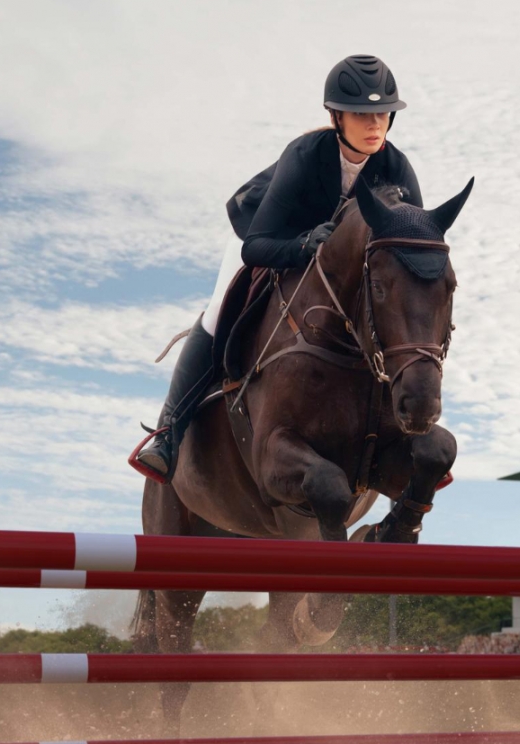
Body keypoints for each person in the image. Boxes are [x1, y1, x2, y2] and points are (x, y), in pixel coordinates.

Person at [137, 54, 424, 481]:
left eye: (382, 113)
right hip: (269, 237)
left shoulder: (396, 167)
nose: (374, 124)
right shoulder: (306, 155)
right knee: (218, 311)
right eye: (361, 114)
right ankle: (169, 433)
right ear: (335, 116)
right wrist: (303, 246)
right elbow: (256, 246)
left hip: (338, 267)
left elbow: (409, 251)